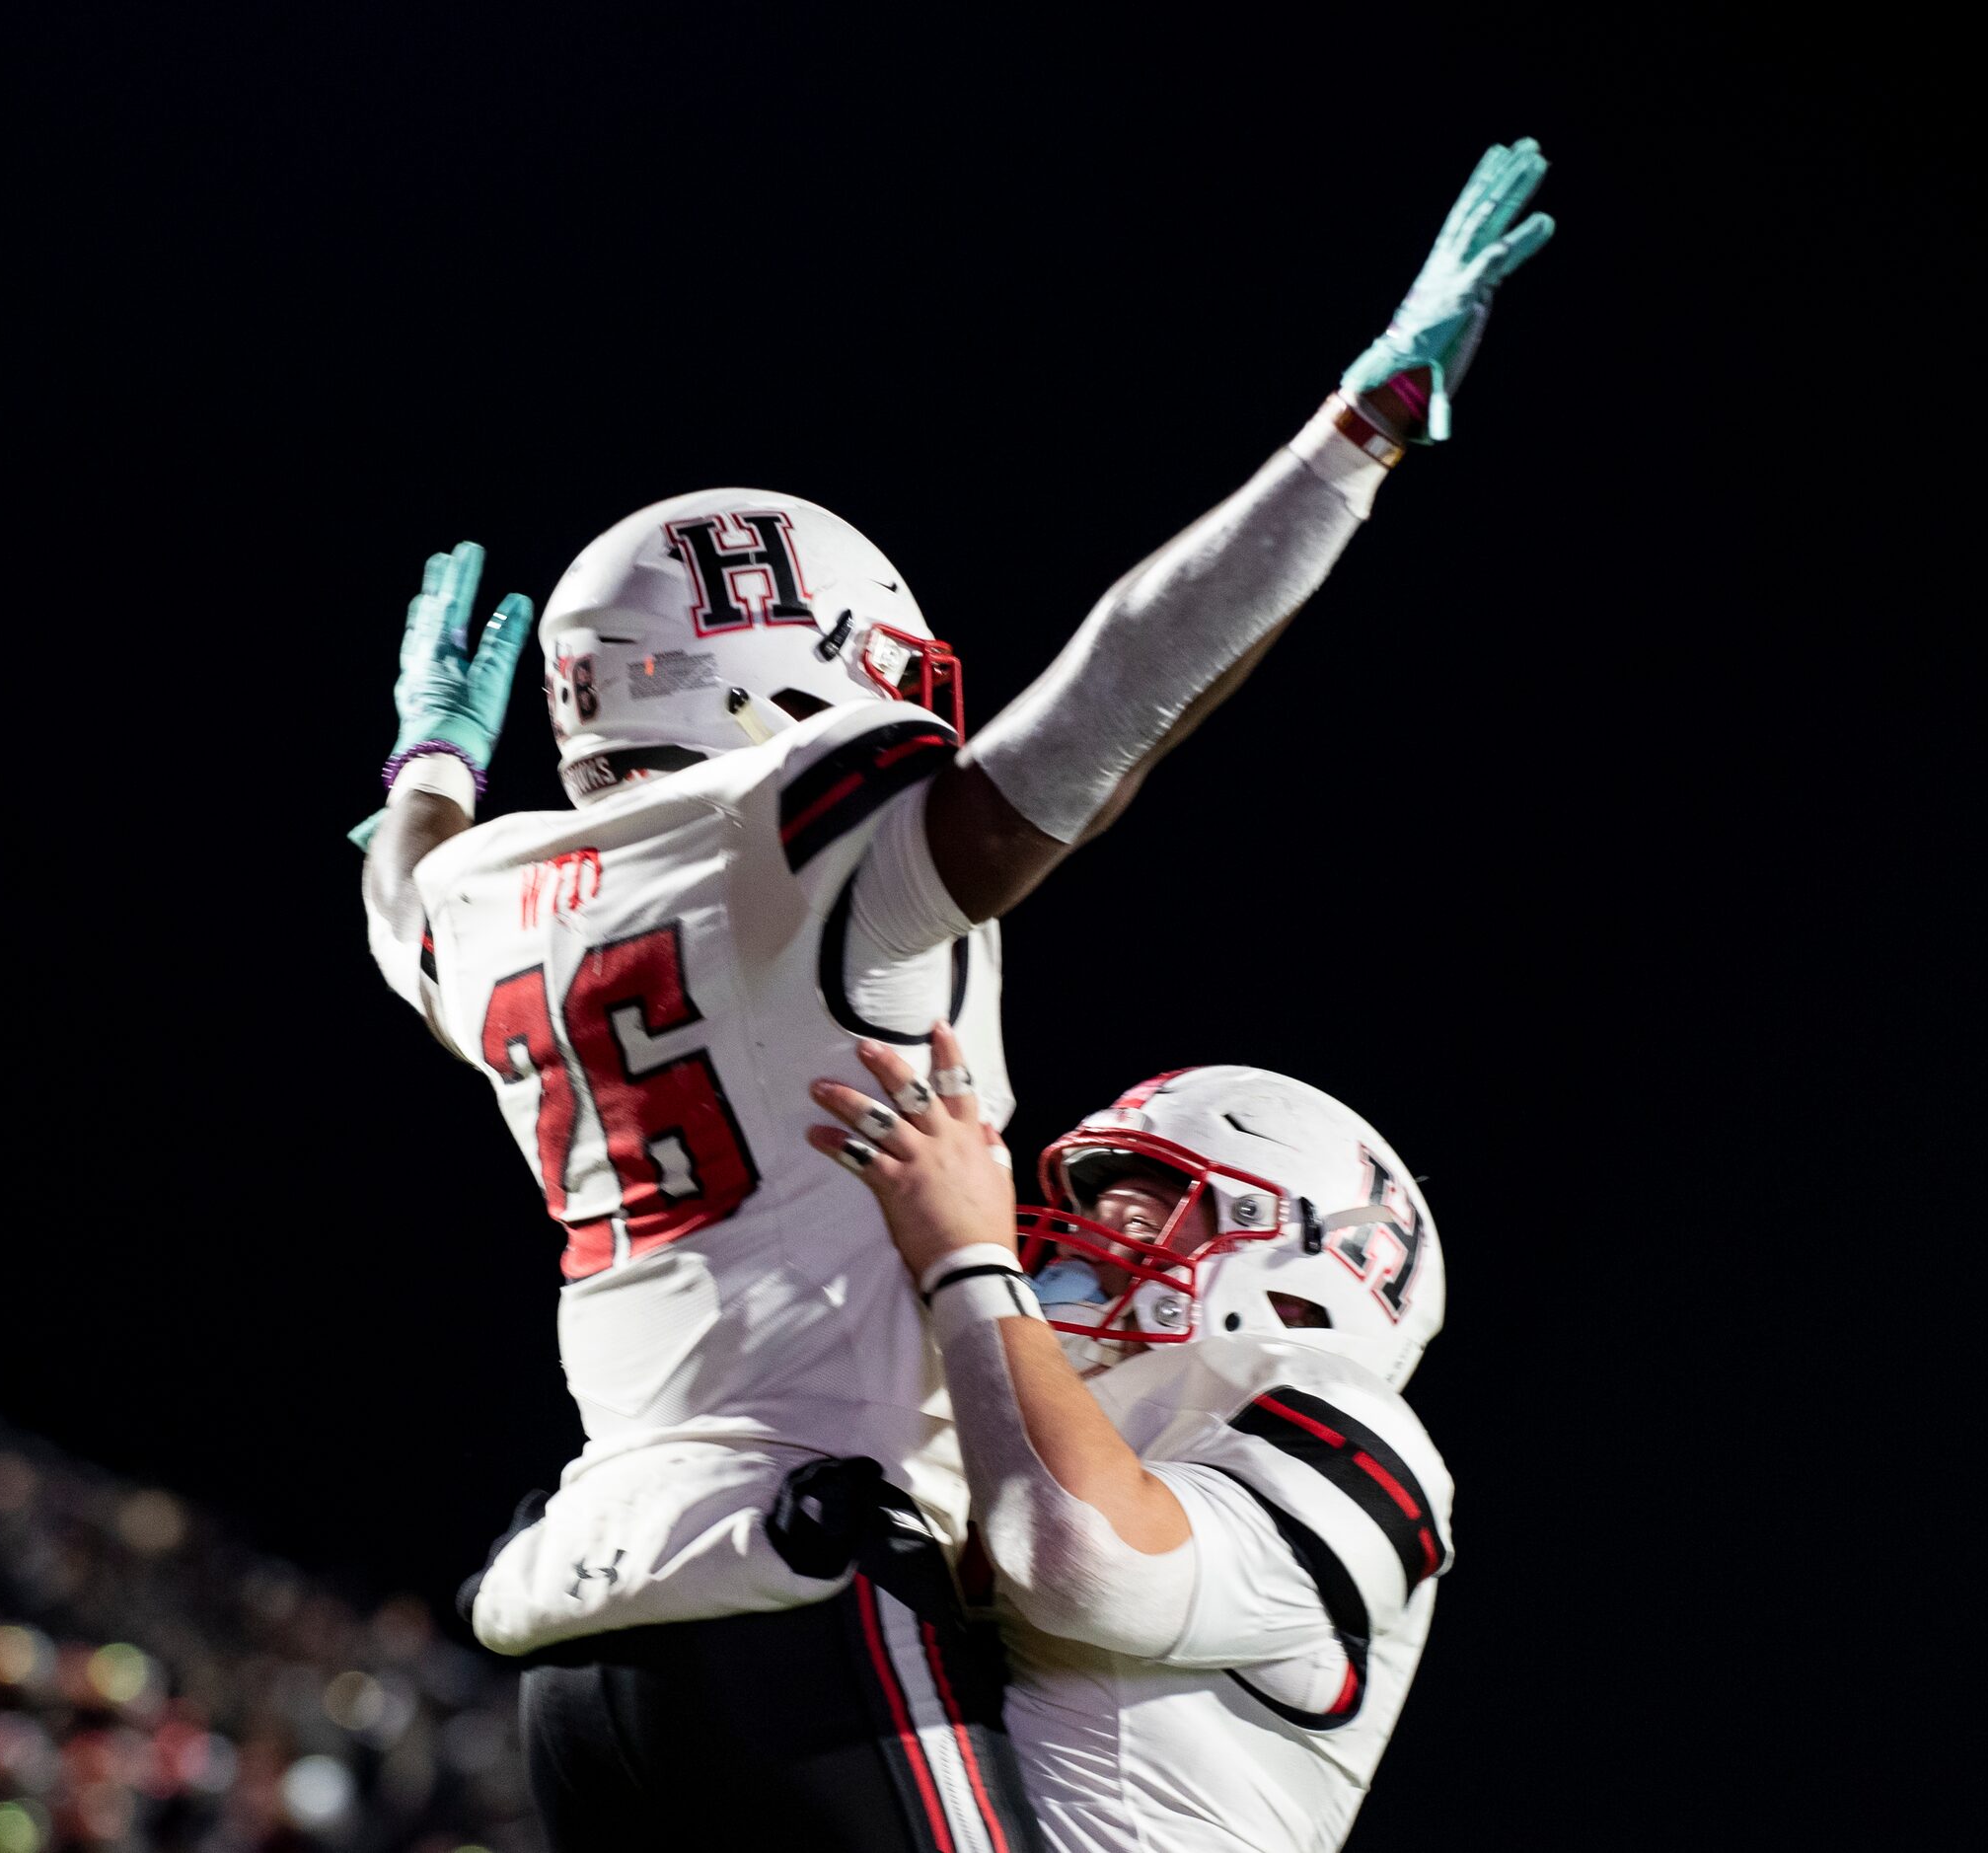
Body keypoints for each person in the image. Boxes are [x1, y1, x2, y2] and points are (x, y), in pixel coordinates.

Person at [353, 141, 1547, 1850]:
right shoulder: (811, 843)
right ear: (800, 678)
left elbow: (399, 901)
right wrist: (1344, 449)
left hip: (575, 1618)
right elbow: (1112, 698)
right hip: (807, 1581)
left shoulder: (482, 904)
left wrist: (428, 767)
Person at [805, 1026, 1452, 1852]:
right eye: (1089, 1217)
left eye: (1144, 1223)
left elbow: (1089, 1560)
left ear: (1299, 1292)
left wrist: (968, 1260)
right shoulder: (1081, 1403)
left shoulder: (1351, 1422)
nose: (1089, 1251)